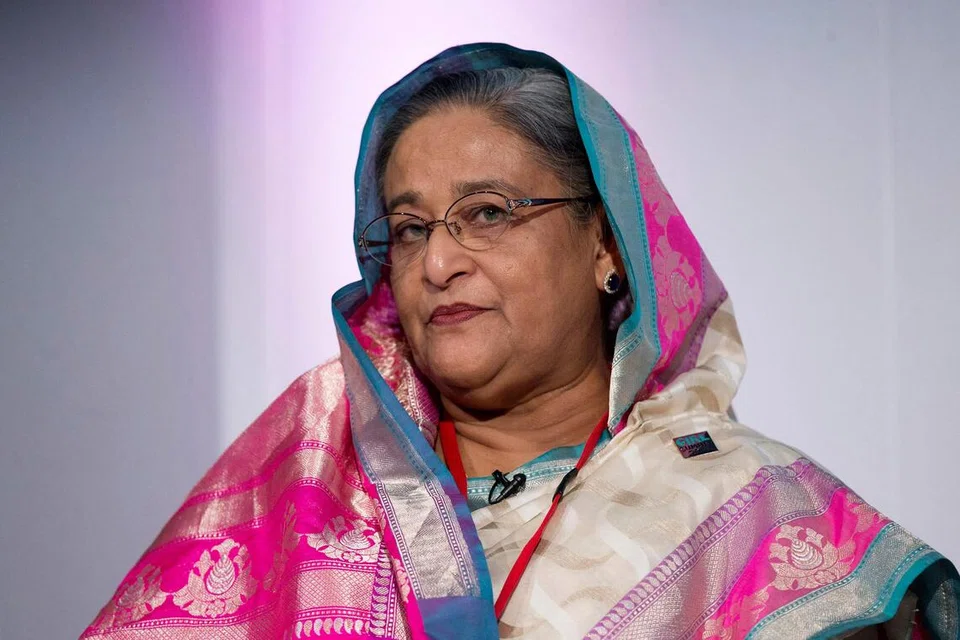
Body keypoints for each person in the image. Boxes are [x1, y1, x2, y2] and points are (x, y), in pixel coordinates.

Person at [83, 43, 959, 640]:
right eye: (410, 229)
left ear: (605, 243)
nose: (438, 263)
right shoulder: (306, 485)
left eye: (488, 213)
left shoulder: (756, 517)